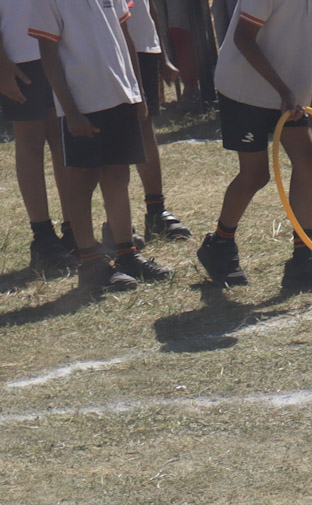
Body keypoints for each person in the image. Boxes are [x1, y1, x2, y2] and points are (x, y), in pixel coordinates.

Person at [197, 0, 312, 289]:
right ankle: (219, 244)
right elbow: (243, 38)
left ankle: (304, 258)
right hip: (245, 90)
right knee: (255, 174)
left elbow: (306, 40)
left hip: (288, 93)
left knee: (308, 159)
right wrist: (283, 89)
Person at [31, 0, 173, 290]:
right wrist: (70, 111)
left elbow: (125, 36)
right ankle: (90, 262)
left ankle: (126, 254)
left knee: (118, 175)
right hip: (82, 103)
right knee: (82, 180)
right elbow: (48, 55)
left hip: (120, 95)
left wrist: (138, 93)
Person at [2, 0, 76, 274]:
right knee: (31, 142)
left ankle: (74, 229)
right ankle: (43, 238)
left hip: (61, 47)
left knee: (63, 138)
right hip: (19, 54)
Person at [122, 0, 190, 240]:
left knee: (145, 127)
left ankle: (156, 211)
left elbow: (149, 7)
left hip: (143, 46)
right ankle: (117, 222)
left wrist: (162, 56)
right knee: (116, 134)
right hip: (109, 50)